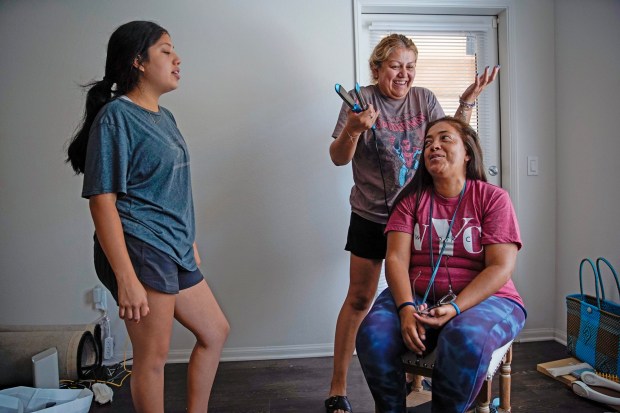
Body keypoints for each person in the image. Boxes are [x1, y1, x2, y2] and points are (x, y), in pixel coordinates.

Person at [326, 33, 498, 413]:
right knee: (359, 299)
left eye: (409, 66)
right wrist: (355, 127)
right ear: (376, 68)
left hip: (419, 216)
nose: (403, 74)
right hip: (371, 216)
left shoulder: (424, 99)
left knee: (419, 291)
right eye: (394, 66)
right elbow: (338, 157)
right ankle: (338, 388)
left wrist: (467, 102)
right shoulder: (361, 102)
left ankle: (415, 378)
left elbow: (450, 138)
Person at [65, 21, 229, 413]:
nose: (177, 59)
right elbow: (102, 201)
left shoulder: (164, 117)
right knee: (153, 358)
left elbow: (166, 187)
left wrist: (187, 238)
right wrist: (126, 279)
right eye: (166, 51)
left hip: (173, 247)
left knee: (214, 331)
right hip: (141, 248)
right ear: (138, 61)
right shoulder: (115, 118)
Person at [355, 116, 527, 413]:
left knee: (462, 337)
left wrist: (456, 307)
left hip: (489, 299)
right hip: (420, 296)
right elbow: (395, 258)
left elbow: (500, 267)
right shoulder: (409, 201)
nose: (433, 145)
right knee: (372, 334)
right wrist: (406, 307)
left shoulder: (493, 198)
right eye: (428, 142)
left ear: (468, 152)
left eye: (445, 138)